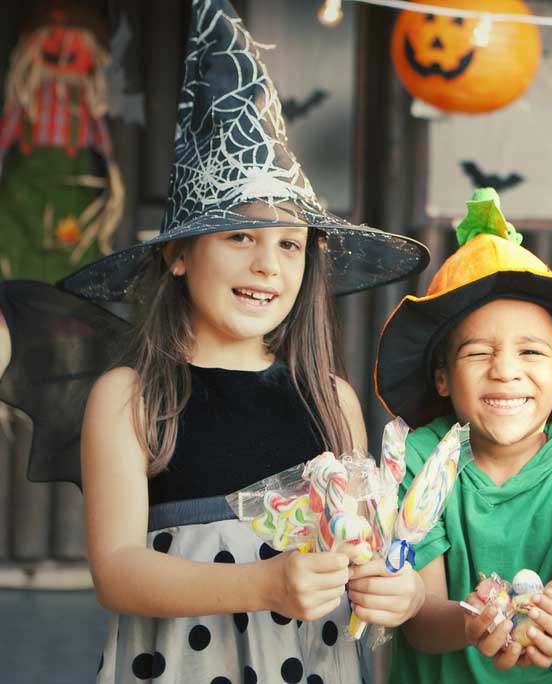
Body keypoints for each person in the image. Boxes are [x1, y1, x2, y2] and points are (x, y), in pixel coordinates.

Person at [0, 1, 432, 681]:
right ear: (178, 256)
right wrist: (263, 585)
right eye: (240, 237)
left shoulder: (331, 400)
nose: (268, 265)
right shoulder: (132, 397)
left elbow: (356, 551)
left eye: (290, 245)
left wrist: (393, 590)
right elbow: (117, 572)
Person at [374, 188, 552, 683]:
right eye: (477, 353)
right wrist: (471, 623)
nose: (505, 371)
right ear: (442, 377)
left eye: (531, 353)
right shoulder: (421, 456)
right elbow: (421, 623)